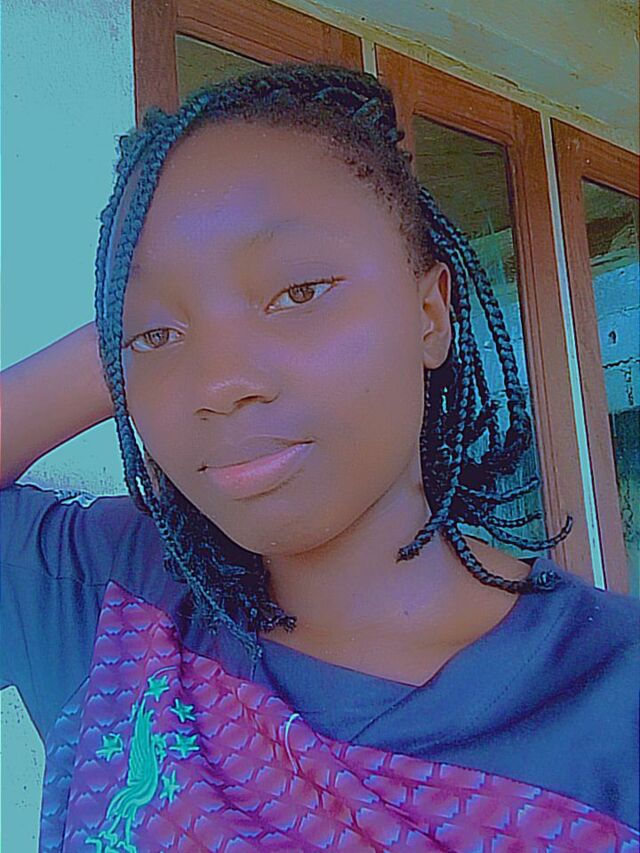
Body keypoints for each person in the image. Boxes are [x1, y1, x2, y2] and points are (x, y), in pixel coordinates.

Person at [1, 61, 638, 852]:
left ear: (430, 313)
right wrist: (131, 326)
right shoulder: (117, 599)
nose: (220, 383)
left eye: (299, 291)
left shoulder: (618, 701)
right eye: (154, 335)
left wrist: (166, 315)